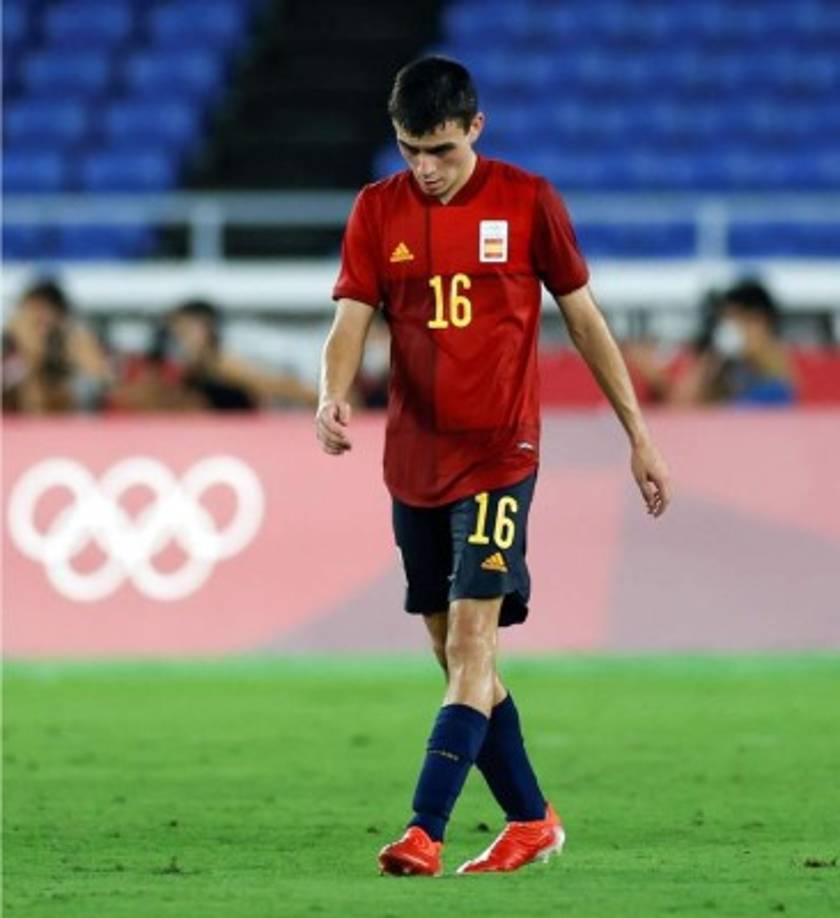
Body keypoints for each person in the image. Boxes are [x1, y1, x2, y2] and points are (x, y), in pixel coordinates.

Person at [316, 57, 671, 877]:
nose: (425, 168)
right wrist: (332, 394)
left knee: (474, 644)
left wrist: (638, 435)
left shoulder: (528, 201)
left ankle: (423, 831)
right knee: (457, 664)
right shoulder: (377, 211)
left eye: (439, 149)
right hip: (413, 460)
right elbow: (350, 320)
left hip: (500, 454)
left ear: (475, 128)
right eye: (410, 150)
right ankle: (531, 820)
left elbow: (584, 321)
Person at [110, 299, 318, 412]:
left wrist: (325, 403)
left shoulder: (222, 362)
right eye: (176, 333)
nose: (179, 340)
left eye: (184, 331)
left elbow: (279, 385)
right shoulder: (185, 372)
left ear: (207, 330)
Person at [2, 279, 111, 413]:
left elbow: (99, 381)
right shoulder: (11, 345)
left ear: (59, 315)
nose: (36, 321)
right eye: (29, 314)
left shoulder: (75, 340)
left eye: (41, 314)